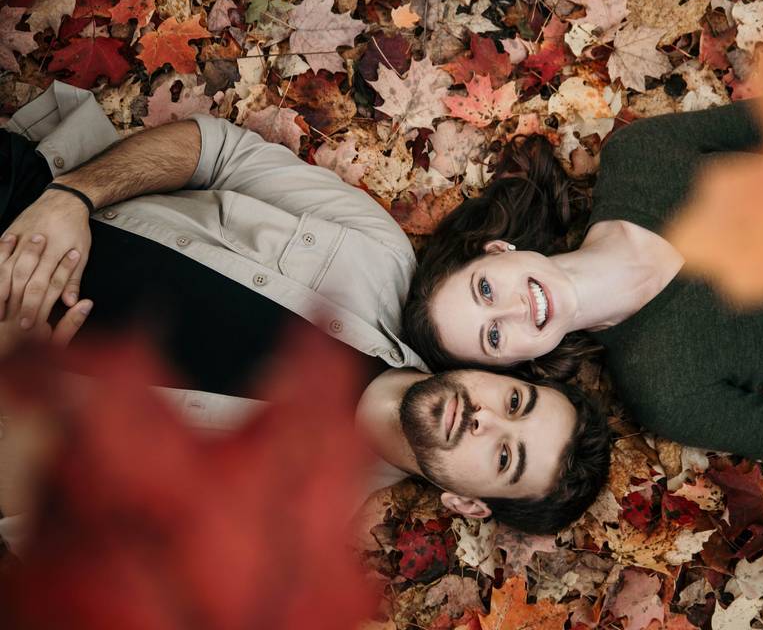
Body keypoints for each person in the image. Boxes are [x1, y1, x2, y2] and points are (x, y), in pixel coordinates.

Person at [0, 83, 611, 548]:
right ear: (504, 377)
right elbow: (220, 153)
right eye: (514, 405)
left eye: (505, 458)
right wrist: (74, 195)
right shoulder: (377, 256)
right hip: (27, 201)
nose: (484, 421)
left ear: (466, 504)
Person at [403, 100, 763, 470]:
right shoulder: (665, 391)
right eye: (493, 338)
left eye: (484, 291)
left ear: (498, 250)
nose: (513, 311)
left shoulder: (641, 156)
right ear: (516, 365)